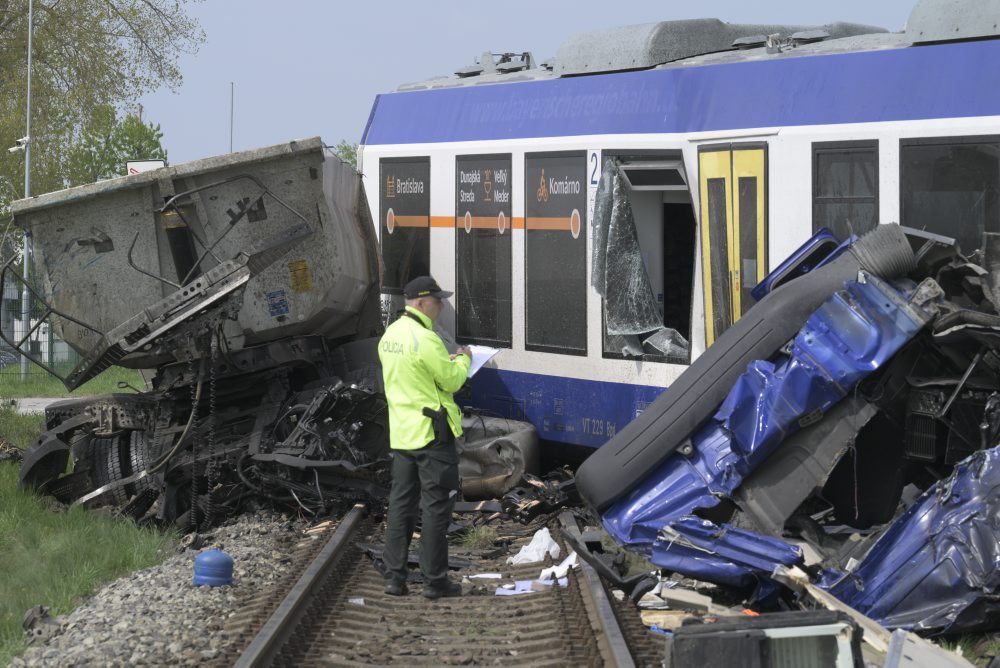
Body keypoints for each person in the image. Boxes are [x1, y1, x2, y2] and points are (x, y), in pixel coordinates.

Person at [378, 275, 471, 599]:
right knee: (435, 509)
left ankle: (394, 578)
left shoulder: (390, 335)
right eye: (437, 300)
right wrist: (463, 359)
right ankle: (435, 581)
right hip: (432, 437)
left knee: (401, 506)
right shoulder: (425, 338)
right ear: (420, 302)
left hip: (402, 435)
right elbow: (452, 381)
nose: (442, 306)